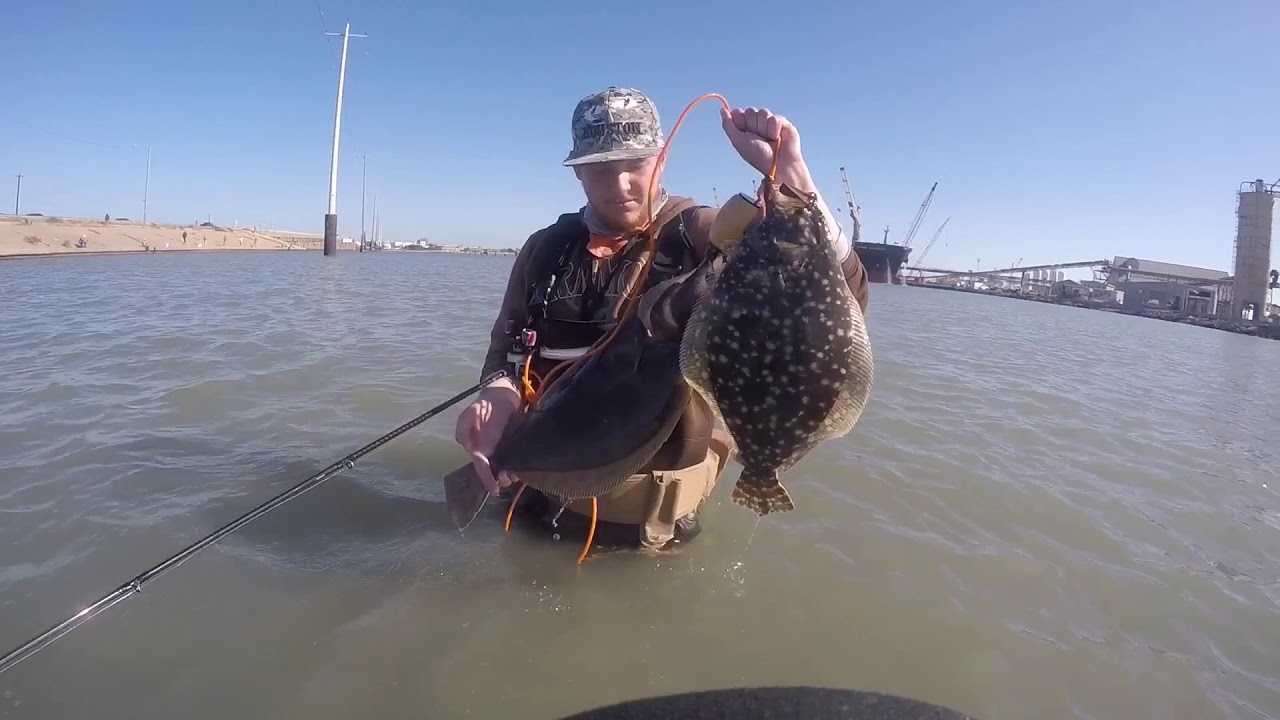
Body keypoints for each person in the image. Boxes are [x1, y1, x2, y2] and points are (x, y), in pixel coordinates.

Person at [453, 87, 870, 551]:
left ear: (662, 160)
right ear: (578, 174)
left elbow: (840, 292)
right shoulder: (544, 249)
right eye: (600, 170)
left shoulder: (708, 236)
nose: (620, 185)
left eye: (635, 165)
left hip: (650, 528)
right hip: (535, 495)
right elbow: (504, 350)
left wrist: (791, 170)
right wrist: (497, 392)